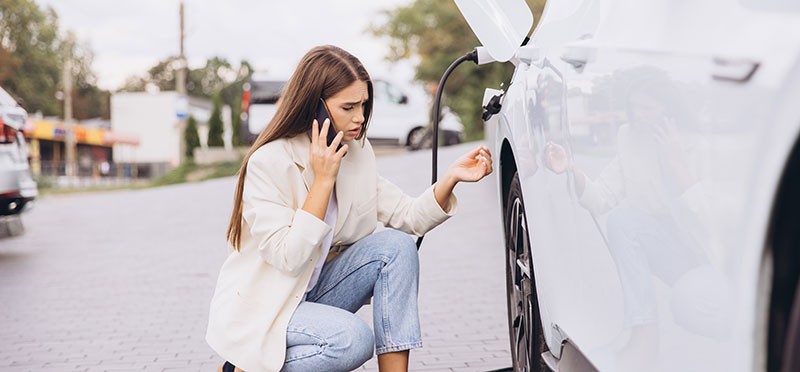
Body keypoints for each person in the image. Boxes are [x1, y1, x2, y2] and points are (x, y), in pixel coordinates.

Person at [206, 45, 493, 372]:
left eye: (364, 105)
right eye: (348, 107)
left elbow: (409, 216)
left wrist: (451, 178)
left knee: (396, 247)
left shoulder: (355, 151)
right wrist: (323, 181)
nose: (359, 117)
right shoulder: (269, 162)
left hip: (318, 294)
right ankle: (241, 369)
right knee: (352, 340)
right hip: (268, 306)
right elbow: (288, 257)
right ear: (315, 106)